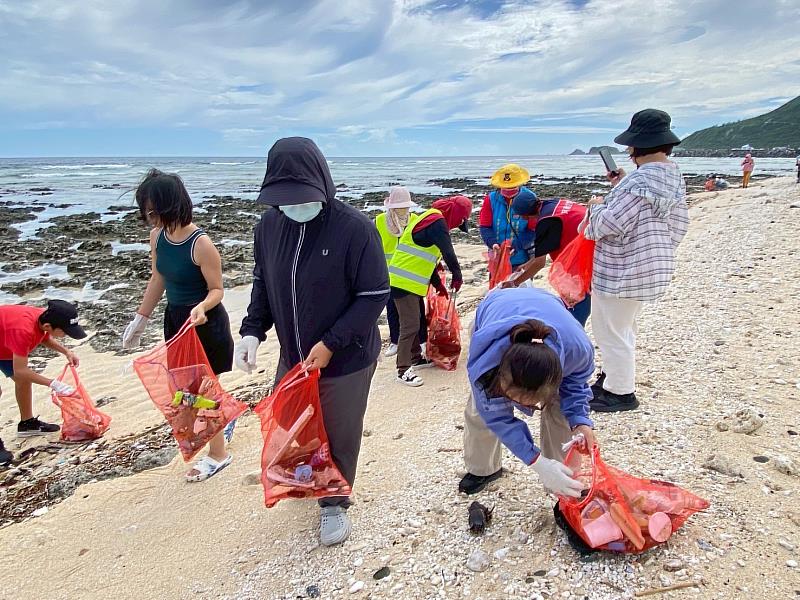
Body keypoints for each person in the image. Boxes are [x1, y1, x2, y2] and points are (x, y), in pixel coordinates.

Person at [234, 137, 389, 547]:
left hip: (346, 358)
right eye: (286, 199)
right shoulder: (268, 228)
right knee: (291, 421)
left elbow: (374, 295)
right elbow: (263, 283)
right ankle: (309, 475)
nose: (295, 205)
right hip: (294, 356)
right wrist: (251, 331)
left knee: (338, 431)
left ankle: (334, 502)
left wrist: (331, 343)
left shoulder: (355, 229)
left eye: (302, 197)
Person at [122, 169, 235, 483]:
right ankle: (223, 423)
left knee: (202, 390)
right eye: (146, 210)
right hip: (176, 321)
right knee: (183, 389)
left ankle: (219, 454)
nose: (149, 217)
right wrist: (141, 319)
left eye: (152, 210)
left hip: (204, 323)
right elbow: (158, 277)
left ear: (170, 205)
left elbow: (217, 290)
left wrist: (201, 307)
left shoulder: (201, 244)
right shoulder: (157, 236)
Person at [583, 108, 689, 413]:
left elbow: (607, 225)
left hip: (621, 269)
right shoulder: (672, 177)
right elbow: (677, 223)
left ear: (635, 147)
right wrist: (621, 186)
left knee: (610, 331)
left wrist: (595, 206)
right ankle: (612, 379)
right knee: (623, 327)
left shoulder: (639, 183)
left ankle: (620, 392)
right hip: (650, 265)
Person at [458, 287, 595, 496]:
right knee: (482, 408)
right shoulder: (485, 358)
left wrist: (580, 422)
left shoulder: (578, 351)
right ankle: (483, 469)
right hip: (495, 309)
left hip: (553, 314)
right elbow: (498, 419)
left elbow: (575, 387)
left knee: (561, 411)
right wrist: (537, 462)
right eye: (510, 395)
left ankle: (565, 482)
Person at [389, 195, 471, 387]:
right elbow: (448, 251)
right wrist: (457, 275)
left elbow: (428, 259)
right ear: (455, 214)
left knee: (417, 320)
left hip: (411, 283)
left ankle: (415, 358)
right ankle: (403, 369)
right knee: (409, 325)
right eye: (460, 222)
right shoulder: (436, 222)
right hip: (402, 281)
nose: (457, 226)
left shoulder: (429, 220)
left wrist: (438, 285)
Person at [0, 300, 86, 445]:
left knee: (23, 381)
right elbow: (20, 371)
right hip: (8, 337)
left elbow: (44, 338)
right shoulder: (23, 330)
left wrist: (66, 351)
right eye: (65, 331)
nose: (66, 335)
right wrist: (54, 384)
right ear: (48, 326)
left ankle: (27, 424)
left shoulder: (43, 317)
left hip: (4, 343)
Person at [502, 195, 591, 326]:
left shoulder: (546, 221)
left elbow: (540, 263)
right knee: (577, 295)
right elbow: (541, 254)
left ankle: (575, 328)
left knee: (578, 296)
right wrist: (528, 264)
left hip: (587, 250)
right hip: (588, 238)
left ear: (526, 215)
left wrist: (514, 283)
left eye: (521, 216)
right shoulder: (552, 203)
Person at [374, 187, 427, 358]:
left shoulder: (416, 220)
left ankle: (422, 341)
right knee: (391, 308)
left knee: (417, 309)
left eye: (405, 206)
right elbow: (373, 246)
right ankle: (395, 341)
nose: (402, 210)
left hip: (412, 274)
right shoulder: (379, 221)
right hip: (388, 274)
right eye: (399, 206)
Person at [478, 164, 538, 272]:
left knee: (520, 281)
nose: (509, 191)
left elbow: (532, 229)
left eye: (512, 187)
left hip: (522, 257)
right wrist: (493, 243)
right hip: (497, 256)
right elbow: (485, 226)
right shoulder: (490, 199)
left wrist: (516, 246)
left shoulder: (530, 199)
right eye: (505, 188)